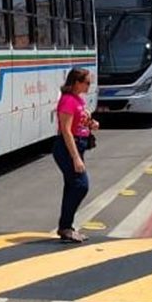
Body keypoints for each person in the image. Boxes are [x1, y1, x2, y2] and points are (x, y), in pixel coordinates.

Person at [52, 68, 99, 243]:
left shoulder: (78, 99)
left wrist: (90, 124)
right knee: (81, 185)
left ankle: (66, 227)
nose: (89, 85)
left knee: (72, 186)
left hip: (78, 145)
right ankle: (65, 226)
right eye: (87, 82)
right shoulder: (67, 101)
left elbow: (78, 123)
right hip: (67, 148)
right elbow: (66, 130)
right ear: (77, 82)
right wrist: (75, 157)